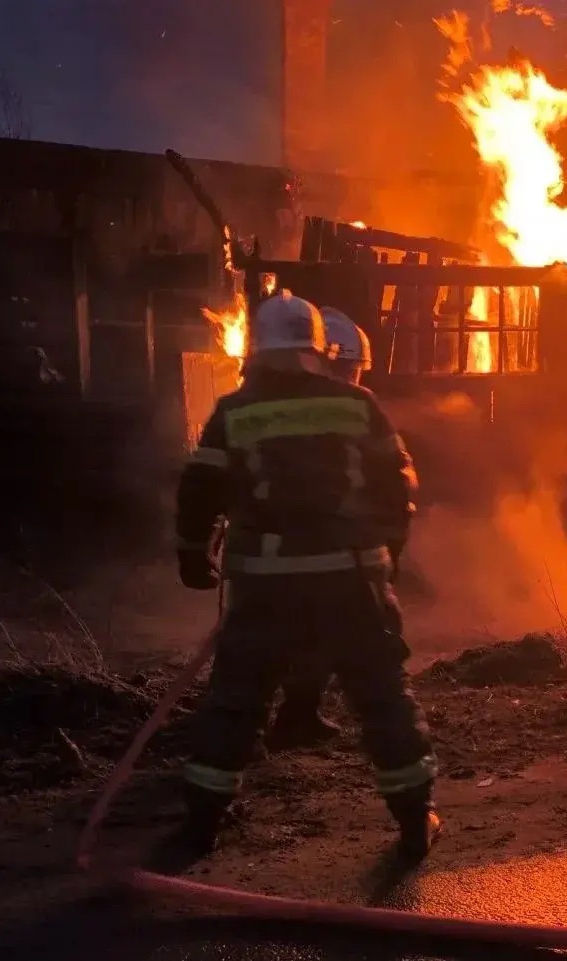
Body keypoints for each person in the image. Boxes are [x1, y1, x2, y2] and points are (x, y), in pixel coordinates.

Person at [171, 290, 439, 864]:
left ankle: (201, 825)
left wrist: (193, 555)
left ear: (259, 350)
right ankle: (415, 821)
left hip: (266, 583)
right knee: (382, 697)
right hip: (352, 579)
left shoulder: (235, 411)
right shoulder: (357, 404)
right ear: (319, 350)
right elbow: (397, 483)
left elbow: (200, 490)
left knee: (237, 699)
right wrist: (388, 549)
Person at [267, 306, 377, 748]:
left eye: (355, 372)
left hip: (301, 552)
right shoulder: (303, 417)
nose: (353, 381)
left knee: (313, 636)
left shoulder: (337, 413)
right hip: (294, 552)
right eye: (347, 371)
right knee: (281, 639)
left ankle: (297, 714)